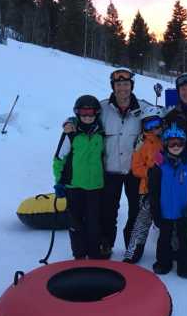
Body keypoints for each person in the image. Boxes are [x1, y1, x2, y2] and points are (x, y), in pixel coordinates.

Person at [64, 68, 153, 259]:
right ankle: (105, 244)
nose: (122, 88)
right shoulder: (103, 108)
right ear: (113, 87)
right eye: (118, 84)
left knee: (136, 212)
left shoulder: (143, 108)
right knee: (107, 212)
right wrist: (69, 121)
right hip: (109, 171)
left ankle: (133, 248)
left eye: (126, 84)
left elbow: (160, 117)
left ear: (131, 86)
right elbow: (84, 117)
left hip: (134, 172)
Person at [53, 95, 104, 260]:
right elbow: (59, 158)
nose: (87, 117)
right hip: (74, 186)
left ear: (96, 114)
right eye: (83, 114)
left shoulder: (101, 133)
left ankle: (94, 253)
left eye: (91, 114)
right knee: (76, 222)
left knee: (94, 222)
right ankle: (79, 253)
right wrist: (59, 182)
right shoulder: (71, 134)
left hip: (95, 186)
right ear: (77, 114)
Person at [149, 123, 187, 279]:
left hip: (183, 209)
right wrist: (155, 211)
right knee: (165, 237)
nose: (175, 146)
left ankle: (185, 266)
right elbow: (154, 191)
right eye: (171, 143)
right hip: (165, 210)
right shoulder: (159, 166)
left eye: (179, 143)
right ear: (165, 144)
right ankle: (163, 262)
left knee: (184, 237)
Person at [123, 107, 164, 263]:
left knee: (167, 220)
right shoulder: (142, 144)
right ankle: (133, 252)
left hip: (166, 190)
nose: (154, 129)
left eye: (157, 125)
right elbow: (136, 168)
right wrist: (152, 173)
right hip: (147, 189)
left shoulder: (167, 140)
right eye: (149, 125)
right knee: (142, 221)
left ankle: (173, 250)